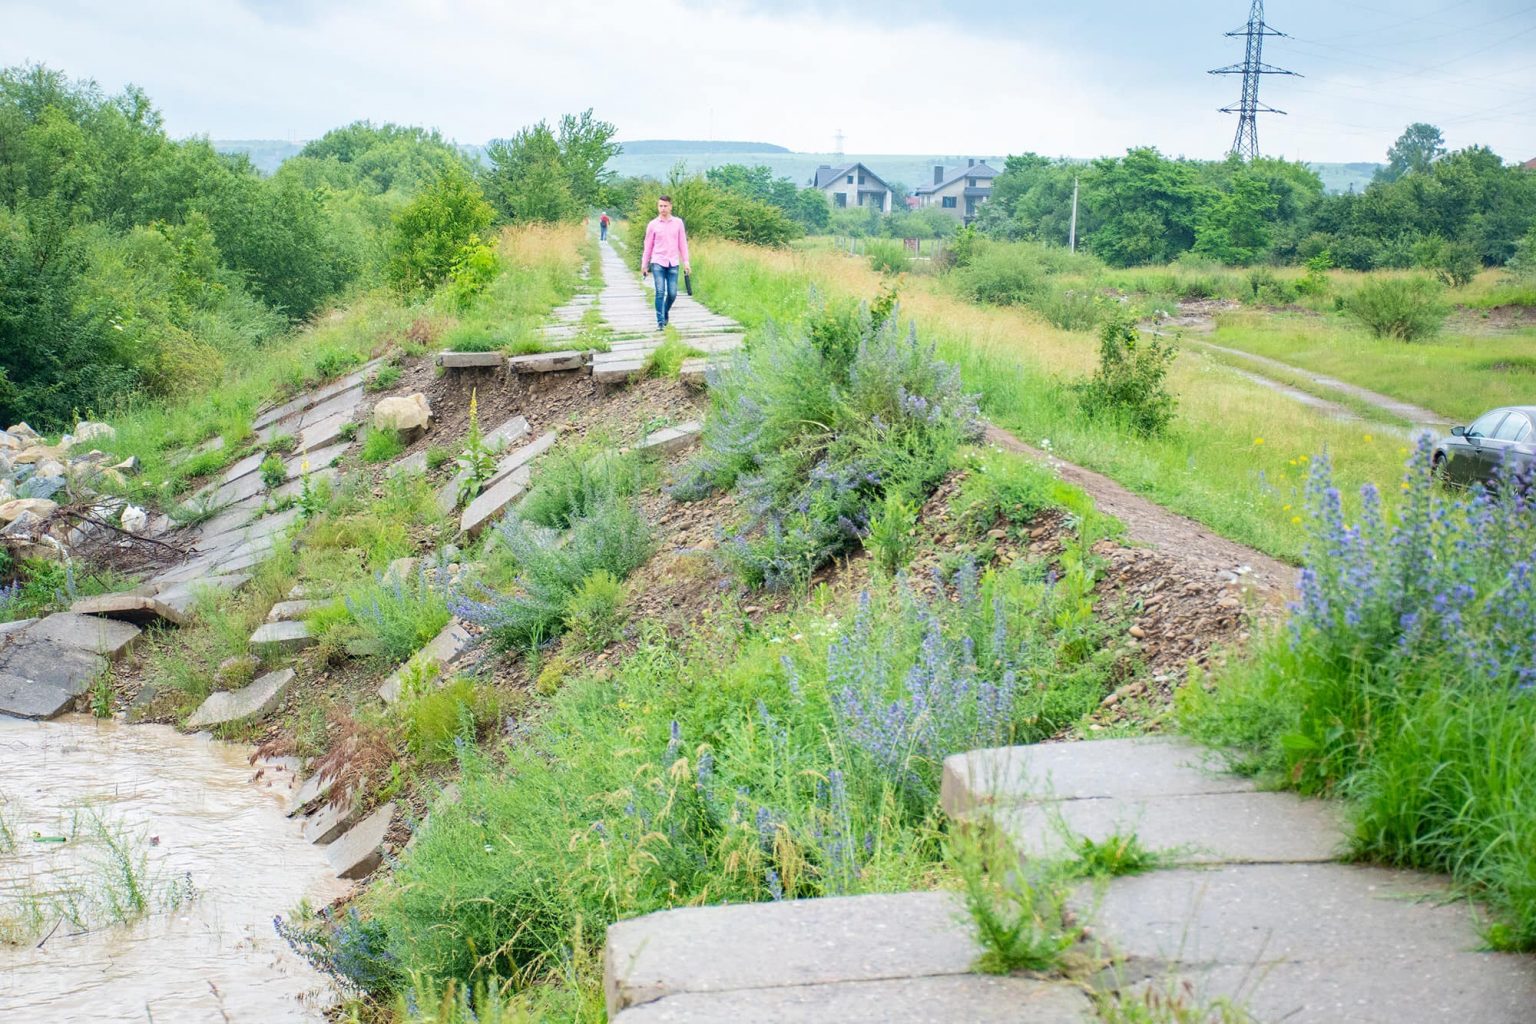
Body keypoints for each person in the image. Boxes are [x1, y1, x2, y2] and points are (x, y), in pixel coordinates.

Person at [641, 195, 690, 331]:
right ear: (658, 207)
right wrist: (644, 264)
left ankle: (665, 310)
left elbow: (682, 244)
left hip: (673, 262)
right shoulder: (653, 224)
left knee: (673, 293)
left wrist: (686, 262)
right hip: (658, 261)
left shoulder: (678, 223)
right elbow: (648, 246)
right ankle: (660, 322)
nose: (663, 208)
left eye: (665, 206)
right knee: (660, 292)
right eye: (660, 206)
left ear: (670, 206)